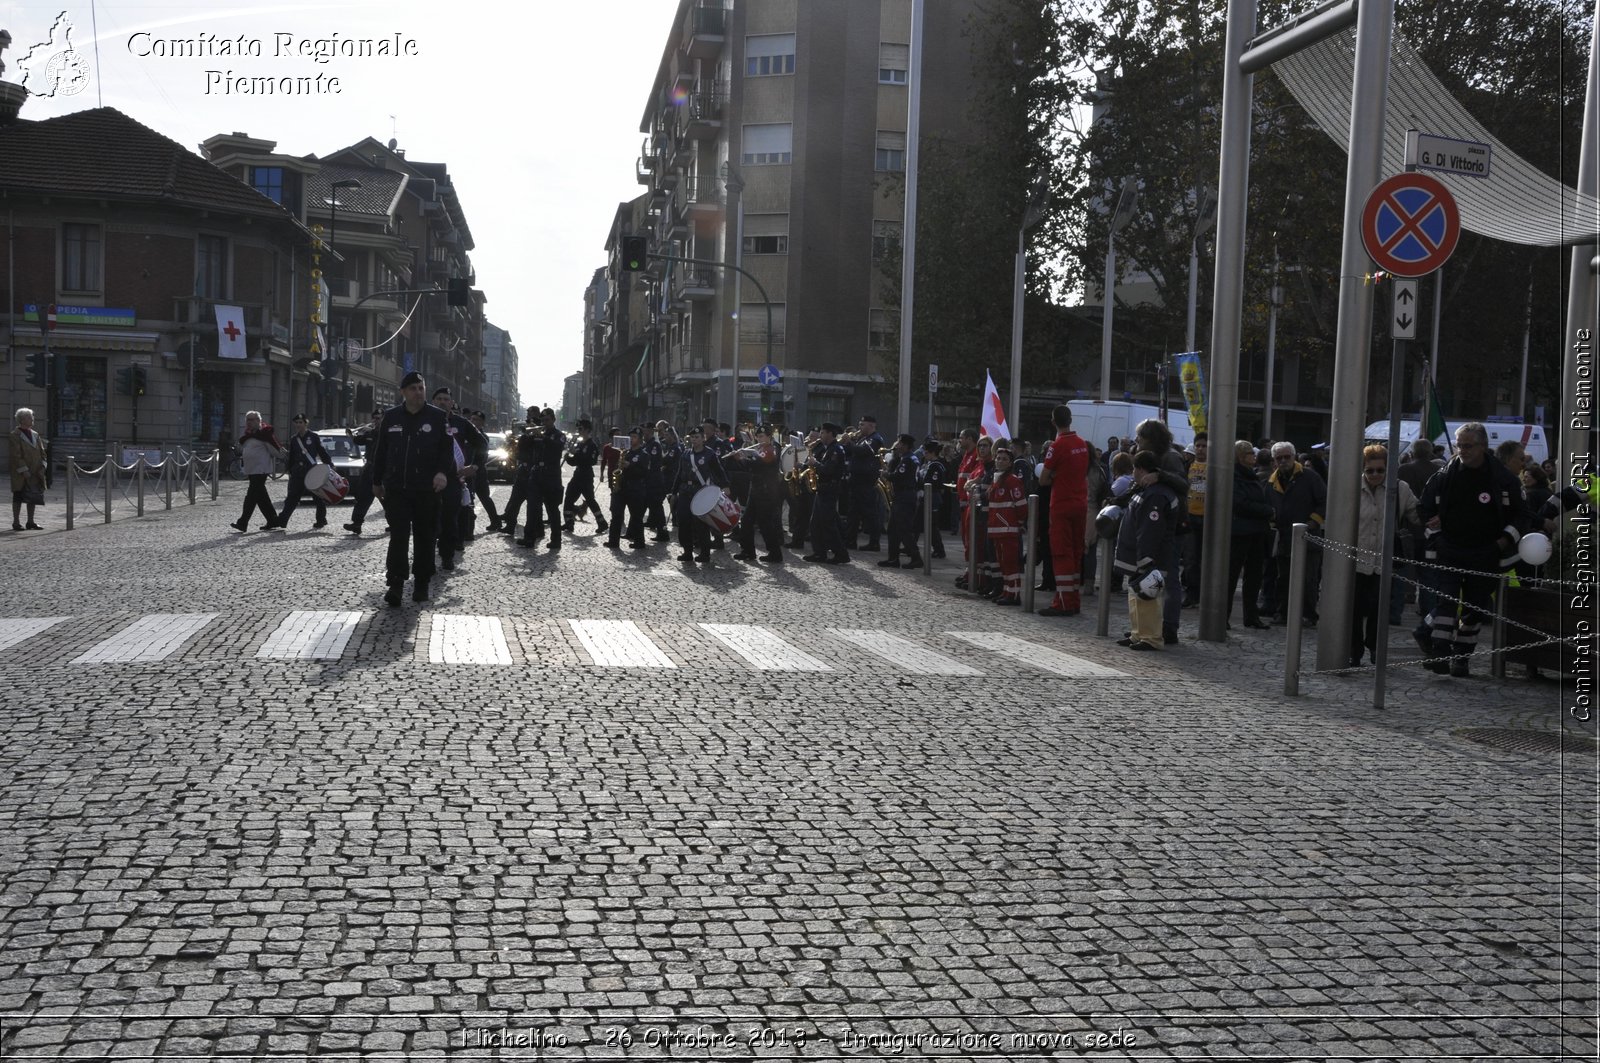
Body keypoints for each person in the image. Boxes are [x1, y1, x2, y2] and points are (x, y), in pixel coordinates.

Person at [1412, 421, 1529, 677]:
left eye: (1468, 446)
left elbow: (1522, 516)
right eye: (1459, 445)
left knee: (1474, 608)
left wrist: (1504, 541)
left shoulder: (1503, 479)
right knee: (1446, 602)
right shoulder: (1444, 475)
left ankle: (1462, 657)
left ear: (1483, 447)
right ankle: (1440, 652)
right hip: (1450, 548)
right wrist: (1435, 533)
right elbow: (1424, 507)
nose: (1462, 450)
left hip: (1486, 552)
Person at [370, 372, 457, 606]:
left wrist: (441, 473)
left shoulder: (438, 417)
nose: (418, 392)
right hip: (397, 487)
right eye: (413, 388)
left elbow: (447, 450)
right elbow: (381, 451)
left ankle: (421, 582)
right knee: (398, 536)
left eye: (421, 388)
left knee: (425, 536)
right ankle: (396, 583)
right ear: (403, 392)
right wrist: (376, 481)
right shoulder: (391, 417)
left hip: (426, 489)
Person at [1351, 444, 1420, 667]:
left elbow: (1416, 514)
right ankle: (1354, 651)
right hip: (1355, 560)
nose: (1375, 475)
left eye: (1380, 470)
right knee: (1353, 609)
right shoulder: (1352, 488)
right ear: (1363, 469)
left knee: (1378, 609)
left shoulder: (1400, 489)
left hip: (1383, 560)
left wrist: (1433, 516)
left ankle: (1375, 648)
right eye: (1370, 470)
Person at [1115, 451, 1182, 650]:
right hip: (1140, 555)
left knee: (1149, 597)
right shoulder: (1147, 490)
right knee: (1137, 595)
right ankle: (1139, 634)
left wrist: (1145, 559)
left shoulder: (1156, 495)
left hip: (1150, 557)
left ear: (1142, 469)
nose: (1133, 472)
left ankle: (1151, 637)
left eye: (1135, 468)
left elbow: (1150, 530)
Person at [1265, 440, 1327, 625]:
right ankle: (1283, 613)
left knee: (1308, 580)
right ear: (1274, 460)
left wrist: (1312, 522)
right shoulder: (1271, 481)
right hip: (1283, 538)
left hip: (1307, 536)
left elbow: (1324, 501)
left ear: (1294, 457)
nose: (1283, 461)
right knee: (1283, 578)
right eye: (1279, 458)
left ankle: (1309, 614)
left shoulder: (1310, 477)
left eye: (1287, 457)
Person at [1037, 404, 1089, 618]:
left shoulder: (1057, 446)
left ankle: (1064, 603)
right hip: (1081, 503)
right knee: (1076, 552)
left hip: (1062, 504)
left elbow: (1043, 479)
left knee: (1061, 553)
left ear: (1053, 422)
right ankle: (1072, 599)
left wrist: (1055, 476)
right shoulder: (1082, 444)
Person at [431, 388, 485, 567]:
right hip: (427, 479)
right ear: (433, 401)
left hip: (453, 478)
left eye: (446, 399)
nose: (442, 402)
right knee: (427, 519)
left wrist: (475, 466)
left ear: (451, 403)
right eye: (438, 399)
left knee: (449, 519)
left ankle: (447, 556)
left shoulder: (461, 423)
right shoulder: (424, 419)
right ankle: (426, 557)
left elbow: (482, 444)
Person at [1225, 440, 1274, 630]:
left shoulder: (1250, 476)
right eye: (1249, 454)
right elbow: (1240, 503)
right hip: (1240, 532)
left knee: (1254, 577)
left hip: (1255, 532)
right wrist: (1266, 510)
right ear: (1240, 457)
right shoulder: (1236, 476)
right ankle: (1224, 615)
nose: (1253, 457)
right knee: (1231, 576)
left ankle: (1251, 615)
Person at [672, 426, 729, 563]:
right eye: (692, 437)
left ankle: (705, 553)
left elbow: (719, 471)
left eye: (697, 437)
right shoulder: (685, 454)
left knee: (701, 524)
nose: (694, 440)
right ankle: (687, 551)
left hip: (701, 491)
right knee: (684, 521)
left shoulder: (709, 454)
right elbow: (679, 474)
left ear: (703, 438)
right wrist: (674, 492)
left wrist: (725, 485)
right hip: (685, 490)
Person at [978, 444, 1026, 604]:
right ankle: (1007, 592)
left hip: (1008, 530)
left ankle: (1014, 594)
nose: (1000, 461)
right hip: (997, 529)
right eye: (998, 458)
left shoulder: (1012, 481)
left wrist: (1018, 523)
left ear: (1010, 463)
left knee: (1011, 563)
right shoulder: (996, 480)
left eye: (1004, 459)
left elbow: (1021, 506)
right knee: (1003, 563)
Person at [731, 425, 785, 563]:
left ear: (769, 437)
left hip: (765, 491)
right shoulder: (761, 449)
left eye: (762, 436)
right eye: (758, 436)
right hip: (755, 489)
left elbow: (757, 464)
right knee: (747, 520)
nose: (759, 439)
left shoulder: (771, 449)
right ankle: (748, 551)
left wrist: (742, 458)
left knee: (765, 523)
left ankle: (775, 553)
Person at [274, 414, 335, 530]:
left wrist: (329, 464)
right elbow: (292, 457)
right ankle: (282, 520)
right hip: (298, 472)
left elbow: (321, 452)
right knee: (292, 497)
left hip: (311, 471)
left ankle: (321, 519)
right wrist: (290, 470)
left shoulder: (313, 437)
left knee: (318, 497)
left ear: (306, 423)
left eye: (300, 422)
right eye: (296, 422)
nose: (298, 425)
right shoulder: (294, 439)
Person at [518, 407, 566, 550]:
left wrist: (542, 437)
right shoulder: (537, 434)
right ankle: (529, 538)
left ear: (553, 420)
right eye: (543, 420)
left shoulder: (559, 435)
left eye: (547, 420)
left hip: (551, 476)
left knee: (552, 510)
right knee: (532, 507)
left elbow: (557, 449)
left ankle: (556, 540)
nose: (544, 423)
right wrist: (528, 435)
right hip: (536, 474)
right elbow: (523, 447)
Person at [804, 422, 850, 564]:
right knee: (816, 524)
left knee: (828, 524)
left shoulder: (836, 450)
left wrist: (815, 463)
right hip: (822, 489)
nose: (821, 436)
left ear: (830, 433)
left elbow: (829, 470)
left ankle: (841, 554)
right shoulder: (828, 448)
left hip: (830, 489)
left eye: (823, 433)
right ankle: (819, 553)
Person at [231, 411, 284, 532]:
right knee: (261, 497)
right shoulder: (248, 435)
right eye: (247, 420)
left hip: (261, 470)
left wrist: (280, 452)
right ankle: (273, 520)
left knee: (251, 496)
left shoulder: (264, 434)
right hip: (251, 470)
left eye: (251, 420)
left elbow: (275, 451)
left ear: (258, 421)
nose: (249, 422)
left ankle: (243, 522)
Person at [878, 433, 923, 568]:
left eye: (899, 443)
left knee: (903, 529)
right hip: (904, 496)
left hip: (905, 496)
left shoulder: (907, 459)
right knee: (893, 529)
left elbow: (898, 477)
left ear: (904, 445)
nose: (897, 446)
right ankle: (893, 558)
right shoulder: (910, 458)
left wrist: (886, 474)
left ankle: (916, 558)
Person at [843, 415, 886, 551]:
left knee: (870, 513)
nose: (860, 427)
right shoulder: (862, 438)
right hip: (856, 480)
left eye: (862, 424)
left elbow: (863, 452)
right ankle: (850, 541)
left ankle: (874, 542)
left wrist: (850, 442)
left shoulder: (876, 439)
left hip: (866, 481)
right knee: (853, 513)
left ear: (871, 426)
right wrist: (846, 444)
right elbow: (851, 452)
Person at [606, 427, 651, 550]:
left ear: (640, 439)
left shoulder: (644, 454)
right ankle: (613, 541)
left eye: (634, 437)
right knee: (616, 515)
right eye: (630, 437)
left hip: (635, 489)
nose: (631, 439)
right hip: (621, 488)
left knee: (636, 517)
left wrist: (629, 465)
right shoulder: (625, 452)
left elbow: (644, 472)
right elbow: (617, 468)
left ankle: (639, 542)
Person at [562, 418, 608, 536]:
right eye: (578, 428)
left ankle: (602, 522)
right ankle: (569, 522)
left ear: (587, 430)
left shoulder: (592, 445)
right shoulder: (580, 444)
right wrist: (568, 458)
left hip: (586, 476)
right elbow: (575, 462)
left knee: (590, 500)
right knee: (568, 498)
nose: (579, 430)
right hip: (577, 475)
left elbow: (591, 461)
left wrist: (577, 453)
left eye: (581, 428)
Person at [344, 408, 384, 535]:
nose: (376, 421)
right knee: (363, 496)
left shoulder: (388, 434)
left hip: (383, 469)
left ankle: (395, 523)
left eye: (379, 418)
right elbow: (357, 440)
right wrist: (353, 433)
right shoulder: (370, 433)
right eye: (374, 418)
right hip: (370, 467)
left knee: (385, 498)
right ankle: (357, 523)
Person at [1181, 433, 1208, 607]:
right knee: (1190, 559)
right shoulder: (1187, 466)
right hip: (1190, 516)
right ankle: (1192, 595)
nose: (1200, 449)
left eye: (1204, 446)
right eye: (1197, 445)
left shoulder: (1215, 466)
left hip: (1208, 518)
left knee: (1206, 559)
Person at [9, 407, 47, 531]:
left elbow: (42, 452)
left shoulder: (35, 434)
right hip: (22, 473)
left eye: (32, 417)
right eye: (30, 417)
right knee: (18, 495)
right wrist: (23, 469)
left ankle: (30, 521)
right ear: (22, 419)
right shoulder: (15, 435)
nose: (32, 419)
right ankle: (16, 522)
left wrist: (42, 466)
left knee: (33, 496)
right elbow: (16, 454)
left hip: (36, 471)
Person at [468, 410, 502, 532]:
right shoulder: (467, 434)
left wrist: (475, 466)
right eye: (472, 419)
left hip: (478, 471)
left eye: (476, 420)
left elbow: (482, 456)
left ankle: (495, 521)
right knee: (468, 498)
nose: (473, 422)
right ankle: (468, 525)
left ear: (482, 423)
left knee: (484, 497)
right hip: (467, 470)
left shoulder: (483, 437)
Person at [919, 439, 947, 559]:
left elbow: (932, 482)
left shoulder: (936, 466)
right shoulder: (929, 464)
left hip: (932, 497)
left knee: (932, 526)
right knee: (922, 523)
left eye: (926, 452)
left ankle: (939, 550)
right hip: (926, 497)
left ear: (932, 453)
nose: (924, 455)